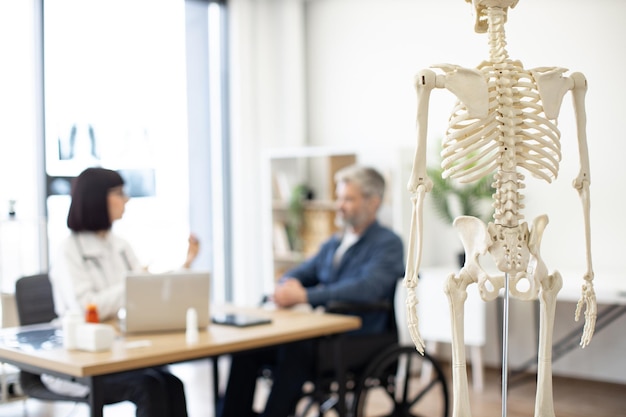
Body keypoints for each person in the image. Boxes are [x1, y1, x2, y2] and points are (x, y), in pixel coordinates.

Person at [219, 164, 405, 417]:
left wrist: (306, 296)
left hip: (359, 336)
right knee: (248, 348)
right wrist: (288, 286)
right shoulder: (335, 241)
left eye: (348, 199)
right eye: (339, 198)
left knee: (295, 350)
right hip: (322, 331)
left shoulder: (388, 243)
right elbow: (304, 271)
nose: (339, 205)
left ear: (373, 202)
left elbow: (366, 288)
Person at [47, 167, 199, 417]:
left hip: (117, 347)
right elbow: (87, 308)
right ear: (97, 199)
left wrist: (186, 264)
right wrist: (133, 284)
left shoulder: (119, 245)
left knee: (171, 383)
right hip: (80, 358)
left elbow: (146, 289)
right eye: (119, 193)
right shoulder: (69, 250)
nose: (126, 199)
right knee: (150, 386)